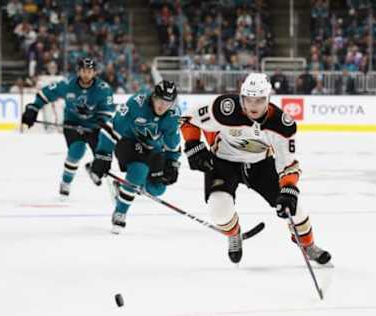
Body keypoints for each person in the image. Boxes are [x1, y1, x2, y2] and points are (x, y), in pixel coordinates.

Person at [180, 73, 331, 265]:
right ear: (241, 97)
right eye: (248, 99)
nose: (253, 105)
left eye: (259, 100)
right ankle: (234, 233)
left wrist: (289, 189)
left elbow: (288, 165)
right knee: (219, 211)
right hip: (222, 162)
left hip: (260, 165)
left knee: (296, 209)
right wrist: (193, 144)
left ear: (268, 99)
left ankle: (308, 245)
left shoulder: (281, 124)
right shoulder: (224, 108)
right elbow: (188, 120)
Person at [87, 80, 181, 234]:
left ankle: (126, 186)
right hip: (129, 142)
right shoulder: (136, 104)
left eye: (168, 103)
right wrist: (103, 155)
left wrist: (172, 162)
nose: (163, 106)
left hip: (153, 148)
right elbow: (112, 128)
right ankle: (121, 212)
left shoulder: (173, 115)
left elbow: (173, 142)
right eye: (160, 101)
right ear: (153, 96)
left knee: (157, 189)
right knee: (139, 170)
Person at [21, 57, 115, 196]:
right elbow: (45, 94)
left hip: (95, 125)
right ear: (78, 71)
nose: (86, 74)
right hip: (73, 123)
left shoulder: (103, 89)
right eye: (83, 70)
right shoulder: (68, 84)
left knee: (102, 156)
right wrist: (33, 108)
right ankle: (66, 182)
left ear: (95, 72)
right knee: (77, 150)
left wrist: (99, 124)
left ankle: (94, 169)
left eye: (89, 71)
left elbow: (107, 111)